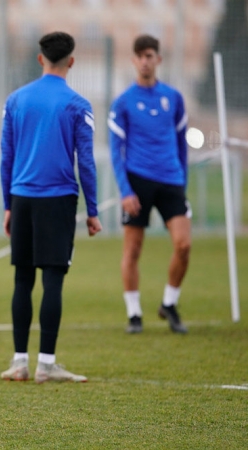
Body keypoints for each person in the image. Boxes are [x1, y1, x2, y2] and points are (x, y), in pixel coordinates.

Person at [0, 31, 102, 384]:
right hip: (58, 200)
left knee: (22, 279)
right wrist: (93, 210)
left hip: (22, 198)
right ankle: (46, 364)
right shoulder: (78, 104)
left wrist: (7, 204)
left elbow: (7, 157)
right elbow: (85, 162)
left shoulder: (15, 100)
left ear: (40, 58)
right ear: (71, 61)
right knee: (53, 281)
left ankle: (18, 363)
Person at [107, 34, 191, 334]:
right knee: (132, 251)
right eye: (140, 55)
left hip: (171, 181)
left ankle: (169, 304)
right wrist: (125, 190)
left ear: (158, 59)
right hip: (137, 182)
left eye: (150, 55)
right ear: (134, 60)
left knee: (184, 245)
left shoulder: (174, 98)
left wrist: (183, 181)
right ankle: (134, 314)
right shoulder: (124, 102)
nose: (145, 60)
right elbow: (115, 150)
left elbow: (182, 145)